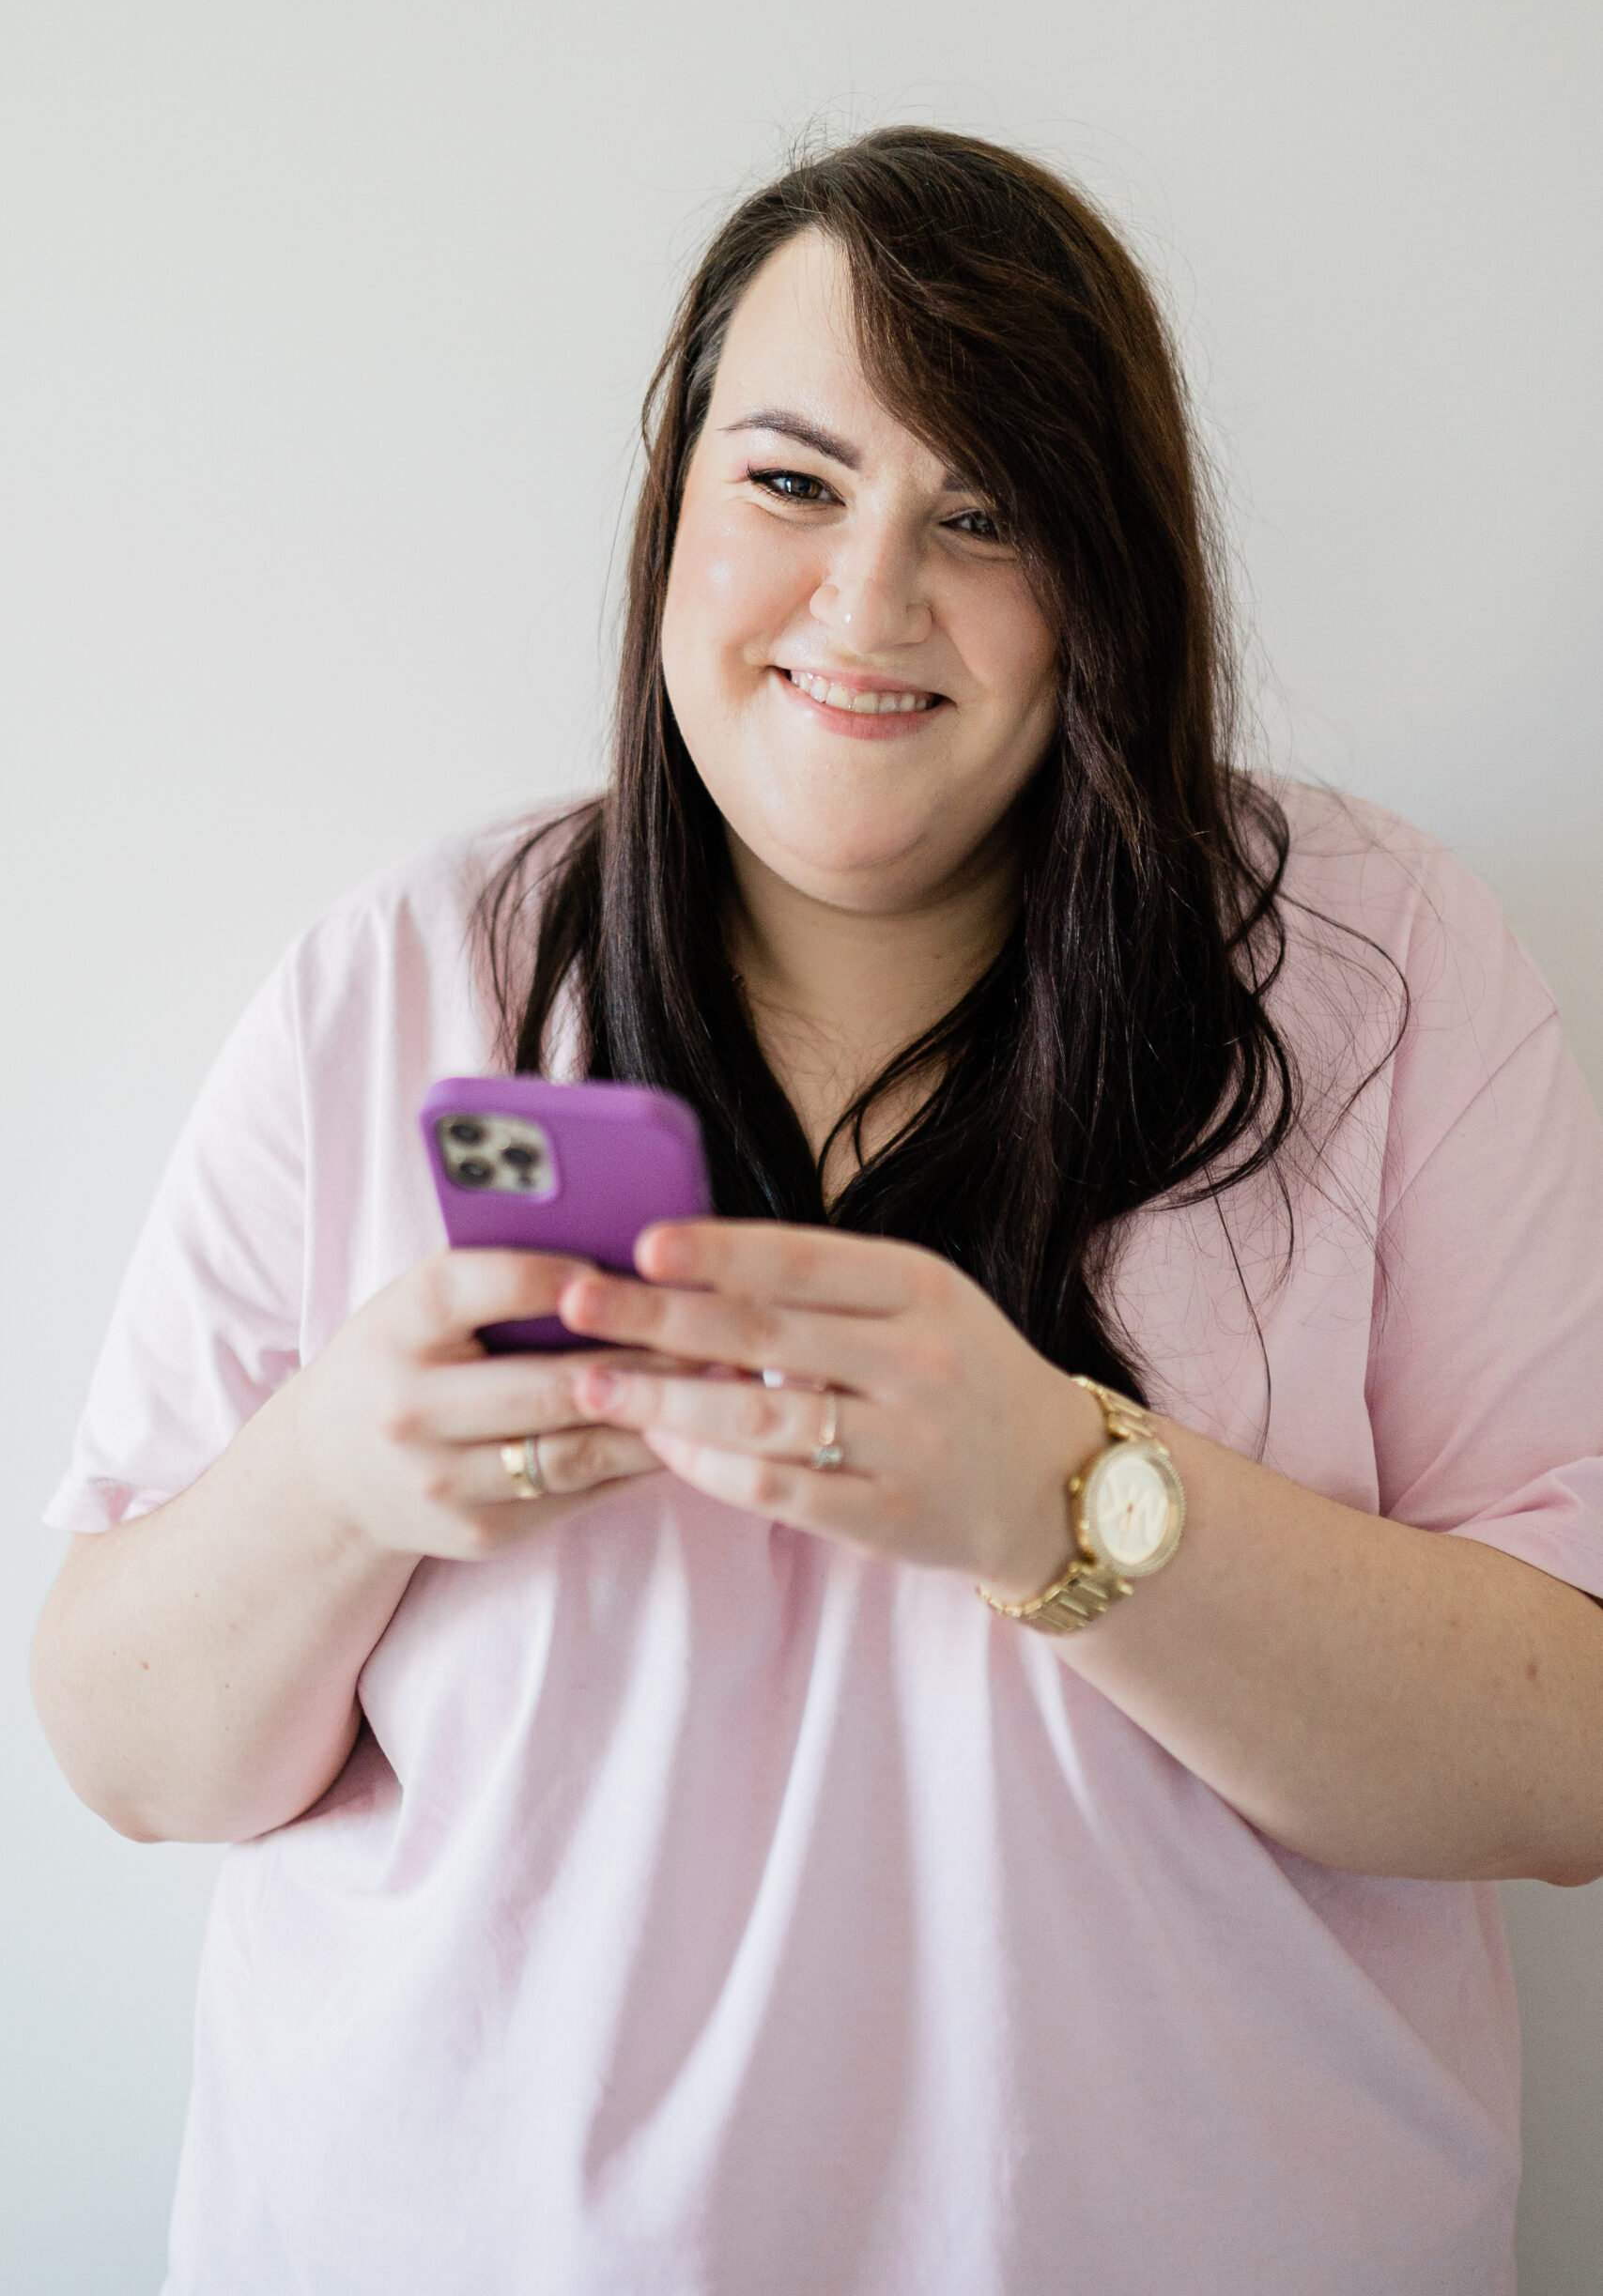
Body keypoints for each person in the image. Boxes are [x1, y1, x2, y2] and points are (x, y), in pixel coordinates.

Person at [31, 128, 1603, 2296]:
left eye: (983, 513)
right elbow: (126, 1746)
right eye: (791, 481)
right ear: (672, 502)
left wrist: (1062, 1492)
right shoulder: (400, 976)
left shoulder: (1380, 968)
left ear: (1108, 576)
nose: (867, 600)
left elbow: (1567, 1749)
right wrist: (332, 1474)